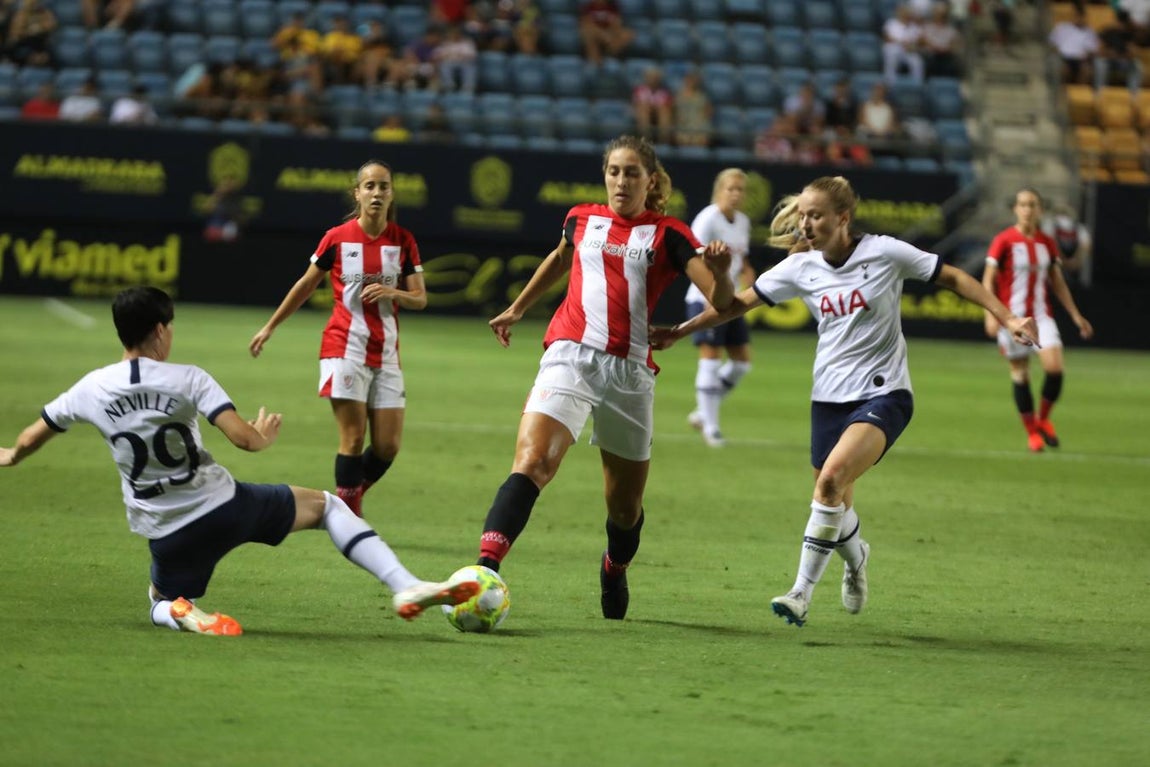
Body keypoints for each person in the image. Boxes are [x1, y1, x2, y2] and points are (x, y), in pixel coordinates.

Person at [650, 175, 1039, 628]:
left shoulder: (884, 252)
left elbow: (950, 276)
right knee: (835, 501)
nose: (806, 224)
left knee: (830, 482)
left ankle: (800, 593)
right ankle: (857, 560)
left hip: (885, 392)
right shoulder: (801, 268)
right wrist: (679, 332)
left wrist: (1007, 317)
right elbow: (735, 306)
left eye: (816, 216)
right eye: (803, 216)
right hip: (828, 397)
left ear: (843, 218)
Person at [0, 287, 477, 636]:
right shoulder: (188, 378)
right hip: (225, 507)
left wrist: (13, 456)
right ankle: (404, 584)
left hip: (166, 530)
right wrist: (263, 435)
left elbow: (33, 434)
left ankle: (181, 613)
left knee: (159, 600)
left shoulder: (90, 387)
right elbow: (244, 440)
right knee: (328, 506)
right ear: (160, 330)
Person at [473, 135, 735, 620]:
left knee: (624, 507)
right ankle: (484, 569)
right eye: (614, 171)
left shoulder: (669, 235)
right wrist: (518, 308)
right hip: (569, 355)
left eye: (632, 173)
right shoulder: (580, 218)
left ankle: (615, 566)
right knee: (533, 461)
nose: (621, 181)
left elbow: (722, 302)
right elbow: (560, 257)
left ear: (650, 181)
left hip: (630, 372)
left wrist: (720, 274)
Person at [250, 161, 427, 517]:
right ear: (356, 193)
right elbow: (305, 285)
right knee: (353, 437)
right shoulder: (337, 237)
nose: (377, 193)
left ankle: (342, 504)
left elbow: (420, 298)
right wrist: (270, 326)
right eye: (370, 186)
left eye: (384, 186)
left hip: (386, 353)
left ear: (392, 194)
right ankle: (349, 518)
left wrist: (393, 293)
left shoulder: (403, 240)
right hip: (343, 347)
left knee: (388, 446)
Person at [983, 188, 1094, 453]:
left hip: (1041, 316)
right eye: (1022, 204)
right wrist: (990, 314)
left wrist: (1076, 315)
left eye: (1032, 204)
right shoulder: (1004, 240)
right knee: (1020, 374)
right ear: (1015, 209)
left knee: (1054, 369)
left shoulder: (1046, 243)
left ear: (1040, 209)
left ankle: (1043, 419)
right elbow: (988, 279)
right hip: (1012, 319)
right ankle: (1032, 432)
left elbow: (1057, 282)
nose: (1027, 209)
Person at [684, 168, 757, 448]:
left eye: (740, 189)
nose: (736, 194)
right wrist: (709, 293)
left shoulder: (742, 221)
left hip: (732, 298)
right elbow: (695, 259)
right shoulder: (707, 219)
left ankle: (703, 412)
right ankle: (711, 427)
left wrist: (748, 273)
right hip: (705, 297)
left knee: (741, 363)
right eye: (731, 188)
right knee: (710, 359)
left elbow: (742, 257)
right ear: (719, 191)